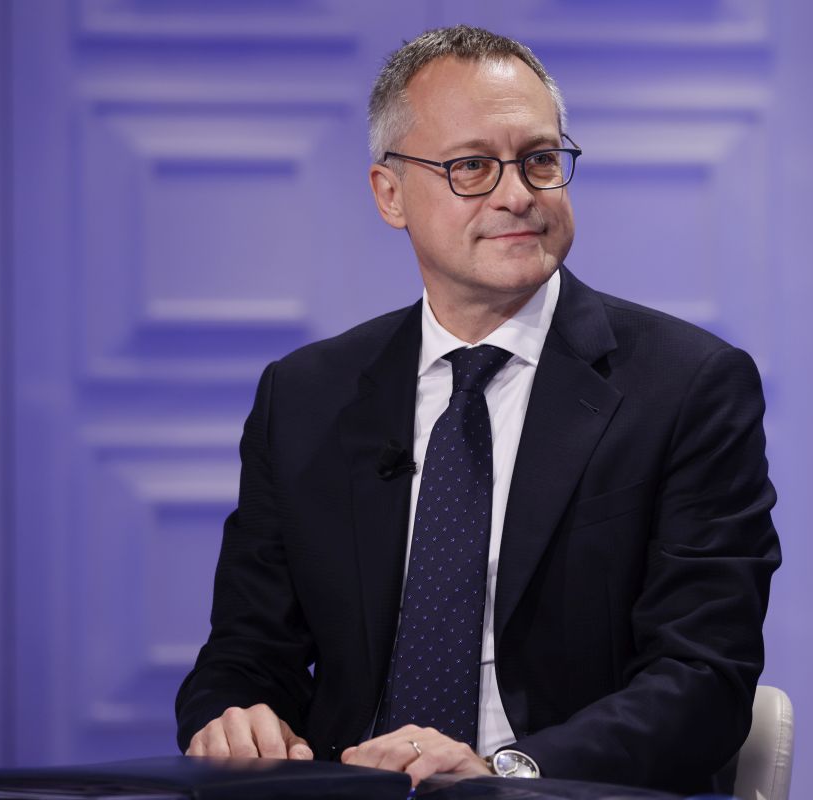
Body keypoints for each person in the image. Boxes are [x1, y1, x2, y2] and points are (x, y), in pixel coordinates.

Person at [175, 25, 780, 795]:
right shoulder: (303, 397)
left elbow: (704, 679)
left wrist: (505, 774)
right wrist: (232, 717)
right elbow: (243, 656)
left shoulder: (689, 387)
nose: (517, 194)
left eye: (539, 160)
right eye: (472, 166)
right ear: (390, 194)